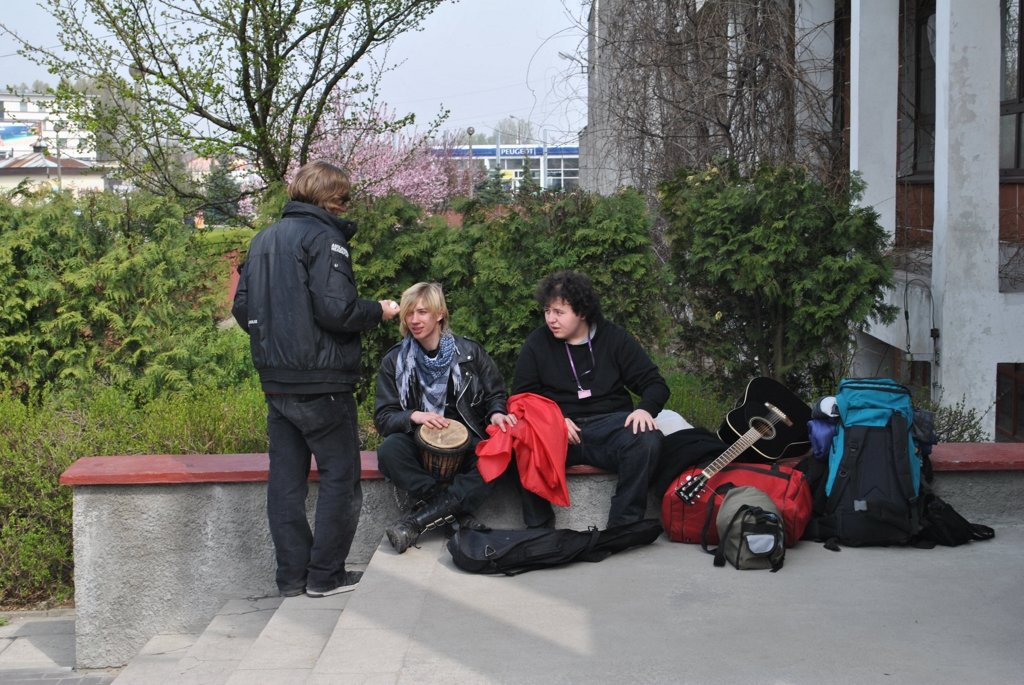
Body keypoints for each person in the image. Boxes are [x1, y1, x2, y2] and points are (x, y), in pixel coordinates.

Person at [231, 161, 400, 598]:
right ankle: (325, 576)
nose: (347, 205)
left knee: (285, 483)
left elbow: (240, 309)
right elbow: (337, 311)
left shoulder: (262, 239)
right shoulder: (326, 238)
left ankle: (291, 578)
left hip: (276, 381)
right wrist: (377, 311)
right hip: (322, 382)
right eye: (344, 197)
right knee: (339, 478)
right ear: (333, 197)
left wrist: (278, 336)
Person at [512, 269, 669, 529]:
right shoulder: (537, 343)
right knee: (522, 440)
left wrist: (645, 410)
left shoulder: (614, 338)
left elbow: (655, 384)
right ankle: (539, 530)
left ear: (582, 312)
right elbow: (520, 397)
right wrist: (553, 420)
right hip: (559, 431)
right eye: (547, 311)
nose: (551, 319)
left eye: (559, 312)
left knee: (648, 440)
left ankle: (623, 526)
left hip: (609, 427)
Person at [374, 282, 516, 554]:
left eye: (422, 312)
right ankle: (455, 512)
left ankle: (416, 522)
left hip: (465, 442)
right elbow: (384, 417)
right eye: (408, 313)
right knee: (390, 451)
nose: (414, 320)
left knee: (496, 456)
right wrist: (414, 416)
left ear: (439, 314)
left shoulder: (470, 353)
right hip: (418, 442)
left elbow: (495, 393)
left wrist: (497, 412)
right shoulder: (394, 361)